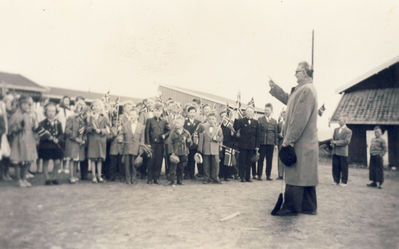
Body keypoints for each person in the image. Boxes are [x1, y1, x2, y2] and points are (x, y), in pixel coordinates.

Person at [270, 61, 319, 216]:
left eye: (297, 71)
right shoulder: (304, 89)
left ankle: (291, 206)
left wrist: (288, 140)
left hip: (299, 142)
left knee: (295, 173)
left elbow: (298, 119)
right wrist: (275, 88)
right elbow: (289, 100)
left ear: (304, 72)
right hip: (305, 142)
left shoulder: (306, 90)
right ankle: (309, 206)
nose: (294, 73)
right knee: (306, 174)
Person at [8, 95, 38, 187]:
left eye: (28, 104)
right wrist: (18, 128)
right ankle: (19, 180)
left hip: (29, 139)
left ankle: (24, 178)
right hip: (19, 140)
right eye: (24, 104)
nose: (26, 106)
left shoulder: (31, 115)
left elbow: (34, 127)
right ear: (20, 104)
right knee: (18, 160)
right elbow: (10, 130)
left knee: (28, 160)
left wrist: (34, 126)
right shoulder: (16, 115)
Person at [37, 102, 64, 185]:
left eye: (53, 111)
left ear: (56, 112)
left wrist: (58, 139)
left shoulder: (58, 123)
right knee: (46, 161)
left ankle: (54, 177)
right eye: (49, 111)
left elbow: (61, 134)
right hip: (46, 145)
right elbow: (40, 134)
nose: (51, 113)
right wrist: (48, 137)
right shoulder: (42, 123)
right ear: (46, 112)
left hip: (55, 145)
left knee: (57, 162)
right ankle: (47, 179)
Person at [145, 103, 170, 184]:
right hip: (152, 144)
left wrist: (164, 135)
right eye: (155, 111)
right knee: (151, 161)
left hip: (160, 144)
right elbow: (147, 132)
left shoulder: (164, 121)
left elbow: (169, 131)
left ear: (161, 112)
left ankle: (156, 178)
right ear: (153, 111)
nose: (157, 113)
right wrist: (148, 143)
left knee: (158, 161)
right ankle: (149, 178)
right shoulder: (149, 120)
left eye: (159, 111)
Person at [87, 99, 110, 183]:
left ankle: (99, 176)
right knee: (93, 159)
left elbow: (108, 129)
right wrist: (92, 129)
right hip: (93, 139)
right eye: (94, 105)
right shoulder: (90, 117)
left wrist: (100, 131)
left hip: (101, 140)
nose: (96, 107)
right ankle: (93, 176)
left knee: (100, 159)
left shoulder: (104, 117)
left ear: (101, 107)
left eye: (98, 105)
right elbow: (87, 128)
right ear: (92, 107)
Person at [233, 106, 259, 182]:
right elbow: (235, 128)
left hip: (251, 145)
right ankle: (242, 176)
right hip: (243, 145)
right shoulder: (241, 121)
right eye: (248, 112)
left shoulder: (256, 122)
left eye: (251, 112)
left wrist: (257, 146)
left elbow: (258, 135)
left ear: (253, 113)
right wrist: (235, 118)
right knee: (242, 161)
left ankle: (248, 177)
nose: (249, 113)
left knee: (249, 162)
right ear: (245, 113)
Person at [64, 101, 88, 183]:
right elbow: (67, 130)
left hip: (80, 143)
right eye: (79, 108)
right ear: (76, 108)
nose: (80, 110)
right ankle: (71, 177)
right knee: (72, 159)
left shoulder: (83, 120)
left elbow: (84, 132)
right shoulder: (71, 118)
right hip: (72, 142)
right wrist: (75, 138)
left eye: (82, 109)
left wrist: (83, 139)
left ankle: (74, 175)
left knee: (76, 160)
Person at [197, 112, 223, 184]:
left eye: (213, 119)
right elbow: (201, 137)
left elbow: (221, 138)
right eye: (210, 119)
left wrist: (216, 138)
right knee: (206, 164)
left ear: (215, 120)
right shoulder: (203, 127)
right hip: (206, 148)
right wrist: (200, 149)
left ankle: (215, 177)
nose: (211, 120)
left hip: (215, 149)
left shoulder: (218, 128)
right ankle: (206, 178)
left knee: (215, 164)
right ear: (207, 119)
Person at [122, 108, 145, 184]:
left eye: (133, 114)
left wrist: (141, 150)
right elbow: (122, 136)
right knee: (127, 165)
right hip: (127, 148)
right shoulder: (125, 125)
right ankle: (128, 179)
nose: (131, 116)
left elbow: (142, 139)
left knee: (134, 164)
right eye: (130, 114)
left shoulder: (141, 126)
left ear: (137, 116)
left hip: (136, 148)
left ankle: (134, 179)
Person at [256, 103, 278, 181]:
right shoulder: (260, 119)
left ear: (271, 111)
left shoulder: (274, 121)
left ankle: (268, 175)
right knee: (260, 160)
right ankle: (259, 175)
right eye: (265, 110)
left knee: (269, 160)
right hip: (262, 143)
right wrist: (257, 144)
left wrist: (276, 144)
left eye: (268, 110)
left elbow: (275, 133)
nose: (266, 111)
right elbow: (258, 132)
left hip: (270, 143)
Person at [166, 117, 191, 185]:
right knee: (173, 167)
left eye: (178, 123)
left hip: (183, 152)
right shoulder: (173, 132)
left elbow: (190, 143)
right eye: (176, 123)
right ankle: (172, 181)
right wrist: (171, 153)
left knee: (181, 167)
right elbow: (169, 142)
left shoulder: (186, 132)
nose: (176, 124)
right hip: (175, 152)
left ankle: (179, 180)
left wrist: (187, 141)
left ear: (183, 123)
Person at [331, 116, 352, 186]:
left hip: (343, 152)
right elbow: (333, 139)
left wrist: (336, 143)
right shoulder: (335, 130)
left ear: (344, 121)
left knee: (344, 167)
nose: (338, 121)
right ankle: (336, 180)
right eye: (338, 120)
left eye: (340, 120)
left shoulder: (348, 131)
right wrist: (332, 143)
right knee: (335, 166)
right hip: (335, 151)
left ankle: (344, 182)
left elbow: (347, 141)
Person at [183, 106, 201, 180]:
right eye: (191, 112)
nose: (192, 114)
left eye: (194, 112)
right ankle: (186, 173)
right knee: (186, 158)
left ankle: (192, 174)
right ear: (188, 113)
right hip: (186, 143)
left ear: (196, 113)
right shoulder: (185, 122)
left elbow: (200, 133)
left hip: (194, 144)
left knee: (193, 159)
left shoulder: (198, 123)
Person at [276, 110, 286, 180]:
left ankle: (287, 175)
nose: (284, 116)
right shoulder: (279, 124)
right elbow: (276, 134)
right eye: (283, 115)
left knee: (287, 158)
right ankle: (280, 175)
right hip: (281, 143)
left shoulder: (290, 123)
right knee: (280, 159)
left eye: (286, 115)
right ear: (282, 115)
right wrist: (279, 135)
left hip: (288, 144)